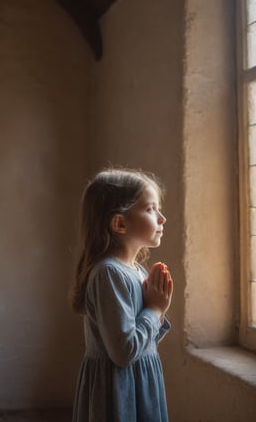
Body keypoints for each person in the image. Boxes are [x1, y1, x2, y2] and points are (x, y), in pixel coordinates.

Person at [71, 167, 173, 422]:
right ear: (120, 223)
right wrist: (155, 310)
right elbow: (124, 351)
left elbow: (142, 344)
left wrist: (156, 306)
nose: (162, 218)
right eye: (150, 209)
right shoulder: (109, 274)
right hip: (118, 392)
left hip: (138, 384)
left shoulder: (136, 270)